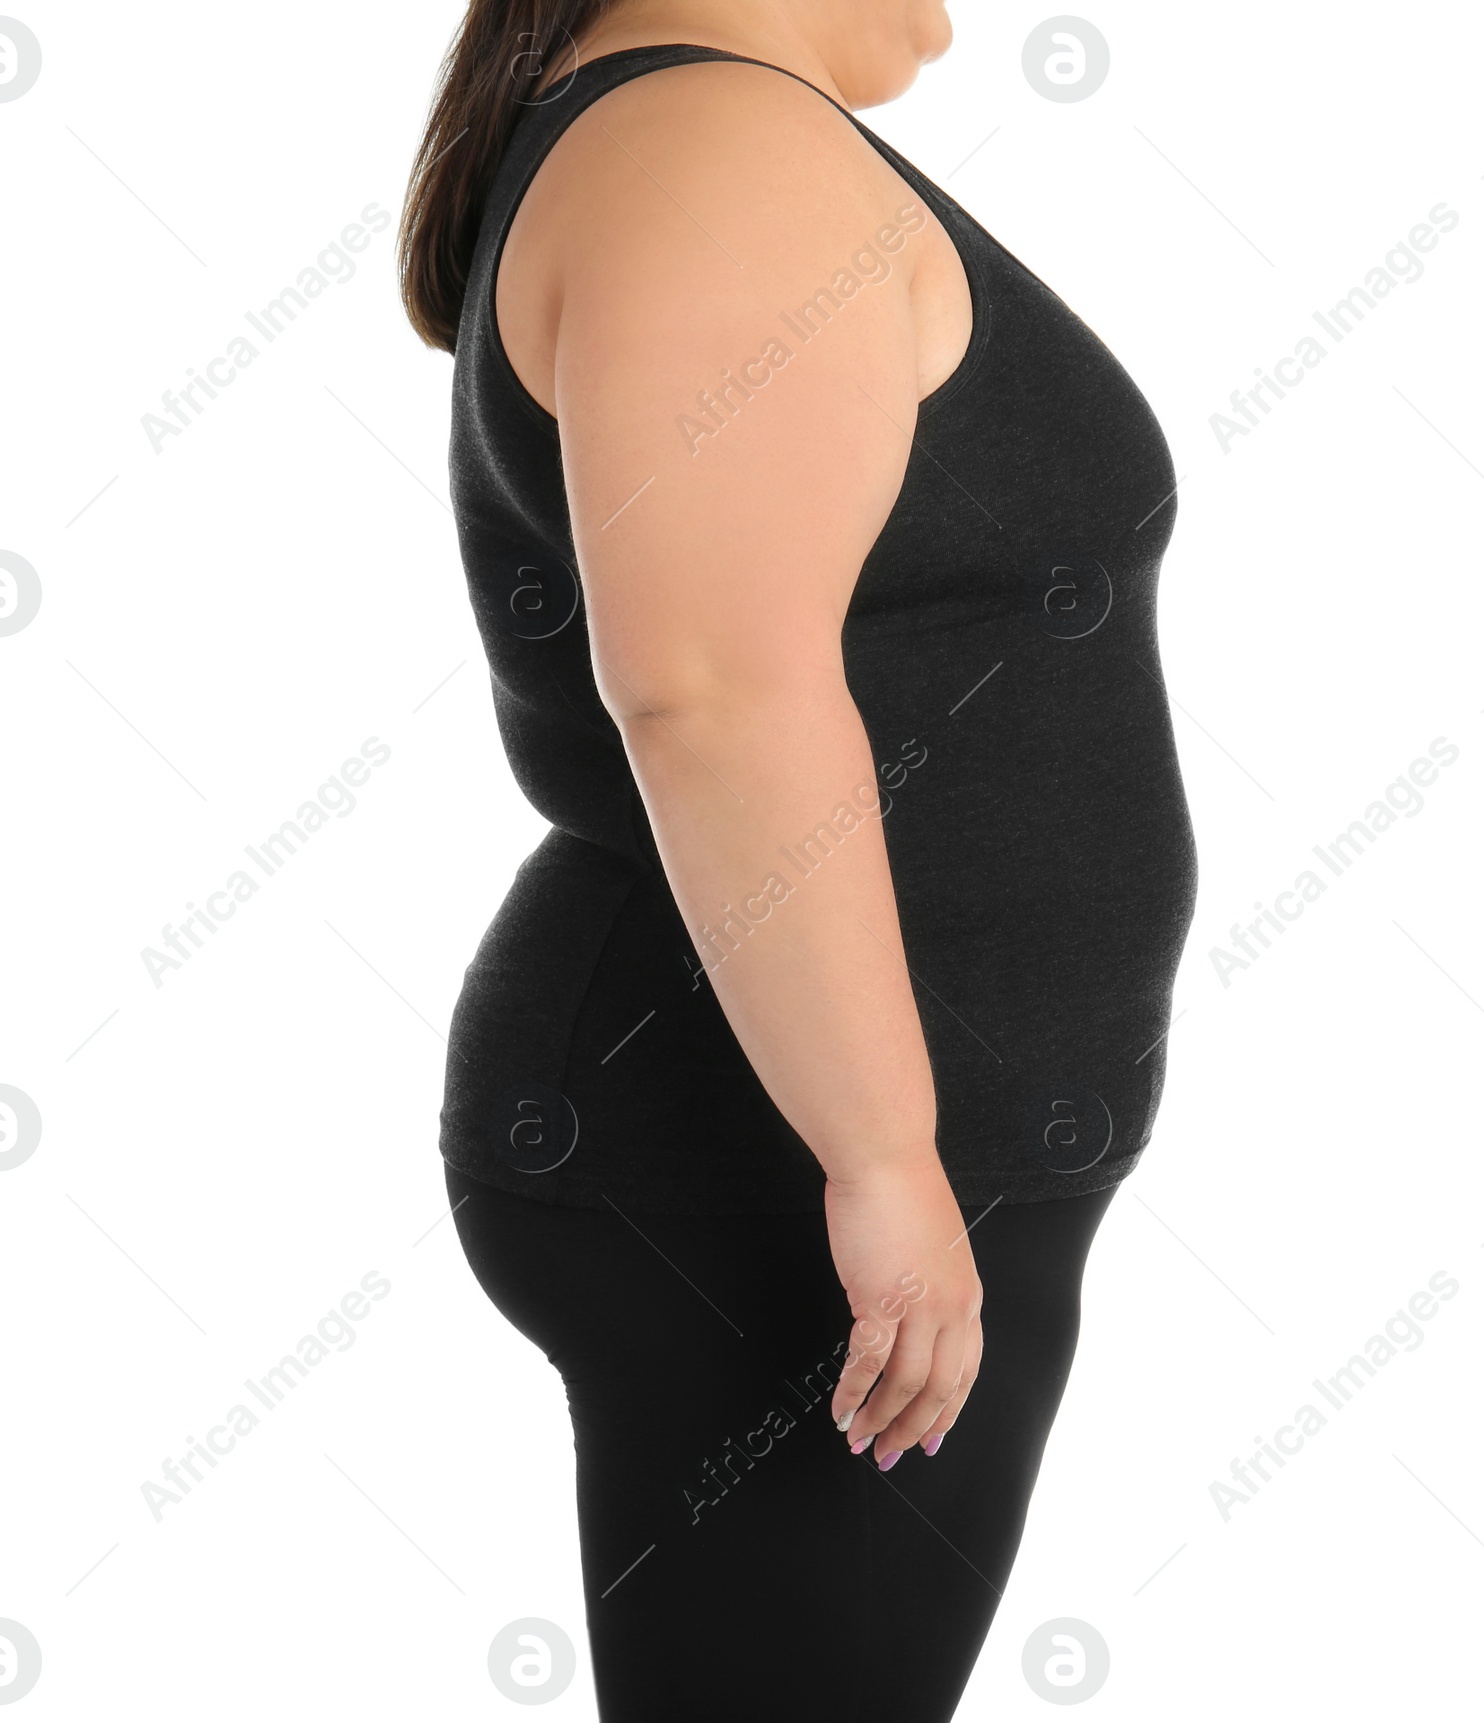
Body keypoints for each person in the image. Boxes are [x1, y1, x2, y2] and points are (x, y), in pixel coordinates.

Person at [398, 1, 1197, 1714]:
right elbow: (713, 690)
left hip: (832, 1164)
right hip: (770, 1172)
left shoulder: (721, 140)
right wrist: (884, 1155)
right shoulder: (711, 150)